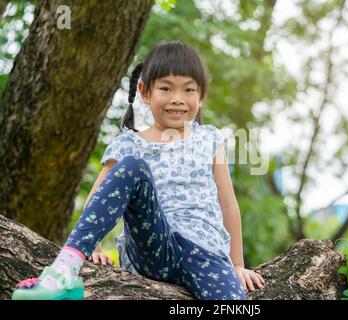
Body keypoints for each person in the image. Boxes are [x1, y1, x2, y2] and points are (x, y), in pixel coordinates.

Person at [12, 40, 265, 300]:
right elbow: (98, 198)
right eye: (166, 88)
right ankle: (63, 271)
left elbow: (228, 204)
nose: (177, 99)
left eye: (188, 90)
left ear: (200, 97)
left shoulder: (210, 139)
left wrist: (237, 265)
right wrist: (95, 248)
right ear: (145, 92)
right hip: (153, 247)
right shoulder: (128, 144)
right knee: (133, 166)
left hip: (206, 254)